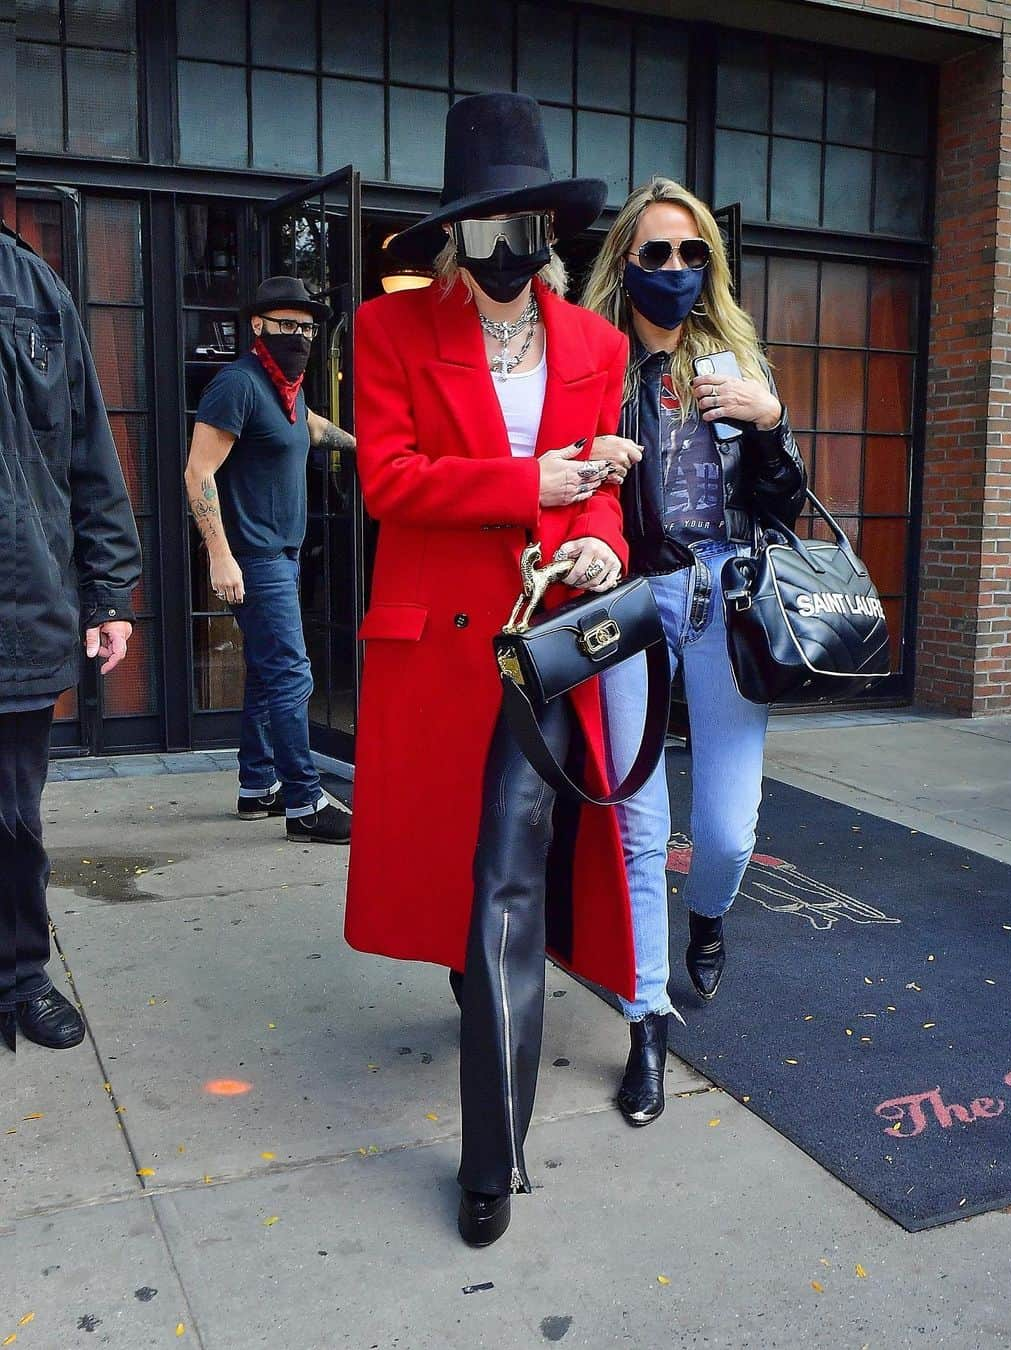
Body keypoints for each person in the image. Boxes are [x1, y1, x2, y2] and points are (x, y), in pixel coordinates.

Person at [344, 93, 635, 1247]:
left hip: (543, 649)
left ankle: (489, 1155)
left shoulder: (600, 345)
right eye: (490, 220)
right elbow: (390, 481)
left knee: (511, 889)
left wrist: (601, 529)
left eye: (529, 220)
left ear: (551, 228)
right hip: (435, 655)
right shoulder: (388, 333)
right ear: (456, 232)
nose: (512, 240)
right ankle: (479, 1004)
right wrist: (535, 485)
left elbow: (604, 487)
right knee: (472, 896)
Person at [581, 178, 806, 1126]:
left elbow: (784, 504)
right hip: (629, 596)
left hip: (725, 595)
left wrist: (769, 423)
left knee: (725, 829)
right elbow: (565, 484)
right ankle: (646, 1023)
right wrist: (595, 460)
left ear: (709, 263)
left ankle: (708, 914)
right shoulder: (594, 359)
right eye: (655, 253)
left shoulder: (736, 361)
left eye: (691, 254)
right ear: (625, 261)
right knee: (637, 824)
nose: (674, 269)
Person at [0, 217, 141, 1052]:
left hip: (19, 609)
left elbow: (90, 454)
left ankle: (18, 976)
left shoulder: (34, 290)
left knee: (12, 815)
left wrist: (109, 594)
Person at [185, 276, 354, 844]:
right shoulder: (237, 383)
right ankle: (305, 802)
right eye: (288, 326)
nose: (300, 336)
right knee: (291, 673)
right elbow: (198, 472)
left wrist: (360, 446)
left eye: (307, 328)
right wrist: (220, 556)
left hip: (284, 552)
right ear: (257, 326)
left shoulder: (287, 386)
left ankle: (258, 786)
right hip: (253, 558)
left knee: (266, 671)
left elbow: (304, 428)